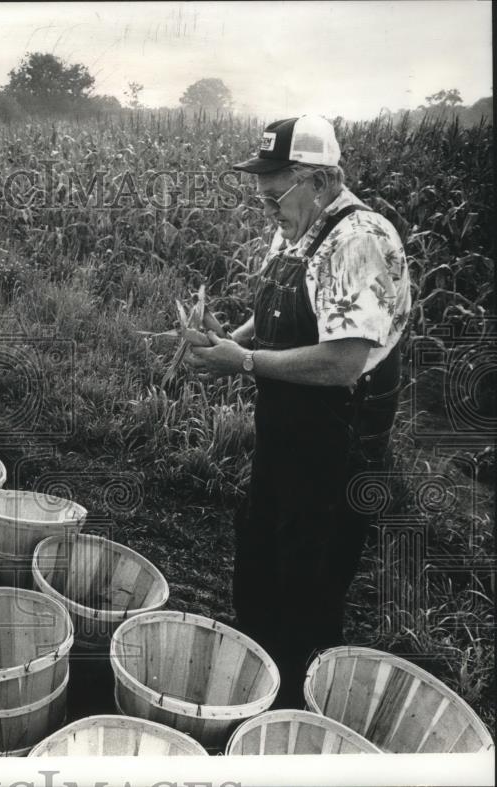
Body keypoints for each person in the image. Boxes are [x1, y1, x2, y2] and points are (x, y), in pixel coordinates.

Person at [184, 115, 411, 707]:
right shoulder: (300, 225)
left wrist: (245, 363)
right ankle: (255, 682)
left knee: (311, 577)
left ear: (319, 179)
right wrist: (226, 339)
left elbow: (342, 361)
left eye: (274, 193)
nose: (266, 208)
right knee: (261, 550)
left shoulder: (358, 240)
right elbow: (283, 306)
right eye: (261, 194)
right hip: (287, 425)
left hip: (339, 436)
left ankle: (297, 714)